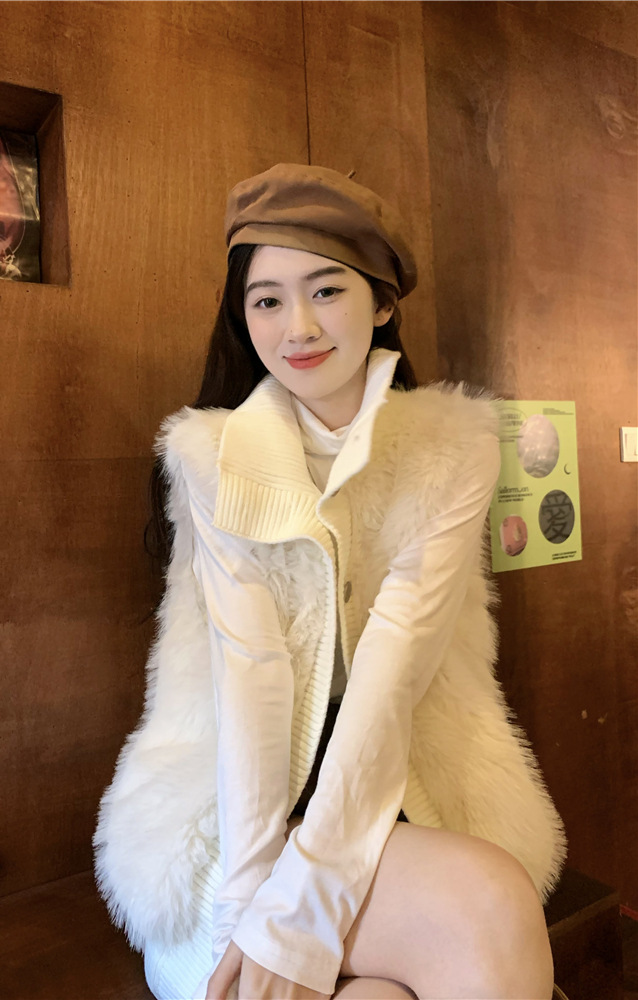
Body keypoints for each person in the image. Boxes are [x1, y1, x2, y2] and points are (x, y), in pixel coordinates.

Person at [95, 163, 566, 1000]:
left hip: (400, 782)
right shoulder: (212, 456)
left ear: (381, 302)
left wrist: (303, 912)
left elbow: (394, 669)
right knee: (484, 915)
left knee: (456, 933)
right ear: (243, 316)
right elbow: (252, 675)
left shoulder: (453, 447)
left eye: (326, 290)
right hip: (231, 811)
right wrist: (254, 908)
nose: (298, 327)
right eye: (267, 300)